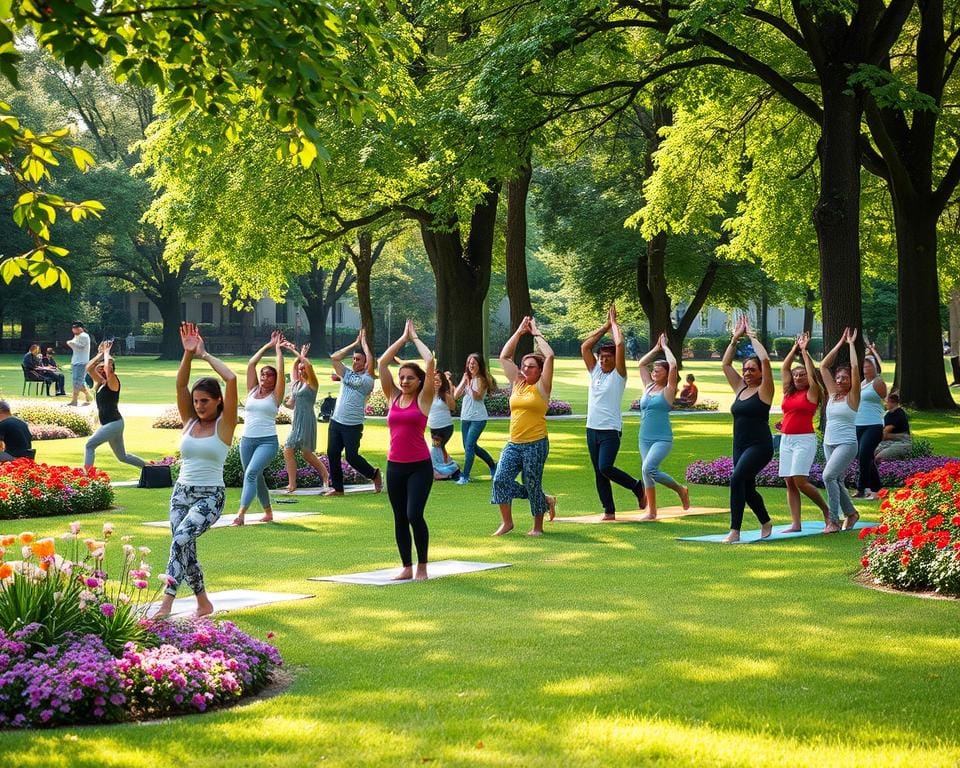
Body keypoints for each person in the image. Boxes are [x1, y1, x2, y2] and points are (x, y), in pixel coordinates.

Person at [154, 322, 238, 619]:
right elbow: (180, 385)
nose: (199, 406)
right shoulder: (189, 421)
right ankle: (203, 603)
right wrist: (187, 354)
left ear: (217, 402)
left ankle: (166, 603)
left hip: (210, 497)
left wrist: (204, 355)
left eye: (205, 401)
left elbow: (231, 378)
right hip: (181, 494)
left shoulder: (224, 425)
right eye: (196, 401)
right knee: (184, 547)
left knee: (180, 540)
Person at [377, 319, 436, 580]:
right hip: (395, 466)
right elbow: (381, 363)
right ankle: (406, 567)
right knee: (400, 517)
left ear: (419, 380)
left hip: (419, 466)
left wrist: (415, 339)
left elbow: (430, 361)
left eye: (410, 378)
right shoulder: (393, 396)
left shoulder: (424, 398)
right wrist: (402, 339)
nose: (404, 381)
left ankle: (422, 566)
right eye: (402, 377)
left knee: (414, 514)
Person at [492, 316, 558, 537]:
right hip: (514, 443)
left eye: (531, 367)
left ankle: (537, 526)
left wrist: (536, 333)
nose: (526, 369)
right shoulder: (517, 383)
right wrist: (519, 332)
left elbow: (549, 356)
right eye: (524, 366)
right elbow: (504, 356)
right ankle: (508, 522)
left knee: (531, 482)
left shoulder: (542, 386)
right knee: (500, 479)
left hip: (536, 443)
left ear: (540, 371)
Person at [580, 306, 645, 520]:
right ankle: (609, 510)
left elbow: (619, 344)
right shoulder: (596, 371)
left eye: (608, 357)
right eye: (602, 357)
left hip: (610, 430)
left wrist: (615, 325)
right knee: (599, 472)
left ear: (615, 359)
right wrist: (605, 326)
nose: (604, 360)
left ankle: (636, 486)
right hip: (592, 429)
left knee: (606, 466)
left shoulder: (619, 375)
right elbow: (585, 347)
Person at [721, 316, 774, 543]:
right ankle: (766, 521)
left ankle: (735, 530)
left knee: (736, 479)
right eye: (745, 369)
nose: (747, 372)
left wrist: (751, 336)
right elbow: (725, 364)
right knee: (747, 487)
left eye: (752, 369)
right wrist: (734, 338)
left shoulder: (765, 390)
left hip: (759, 446)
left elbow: (766, 361)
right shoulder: (740, 388)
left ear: (761, 373)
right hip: (739, 446)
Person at [231, 331, 285, 525]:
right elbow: (251, 363)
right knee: (256, 475)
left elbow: (280, 368)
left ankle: (241, 513)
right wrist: (267, 346)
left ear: (275, 379)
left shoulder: (276, 395)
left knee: (251, 473)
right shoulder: (253, 390)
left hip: (267, 441)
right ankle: (268, 512)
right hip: (246, 441)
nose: (265, 377)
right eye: (263, 374)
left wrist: (278, 350)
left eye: (269, 375)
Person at [778, 333, 829, 532]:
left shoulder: (812, 391)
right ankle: (796, 523)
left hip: (804, 440)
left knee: (800, 480)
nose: (798, 377)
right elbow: (784, 368)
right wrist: (794, 348)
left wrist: (805, 352)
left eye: (802, 375)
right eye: (796, 375)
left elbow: (811, 374)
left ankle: (826, 510)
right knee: (789, 481)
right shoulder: (789, 391)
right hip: (786, 439)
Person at [636, 332, 690, 519]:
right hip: (644, 437)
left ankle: (680, 490)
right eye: (654, 370)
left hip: (662, 438)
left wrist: (666, 348)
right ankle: (651, 511)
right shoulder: (648, 387)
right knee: (647, 472)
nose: (654, 371)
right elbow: (642, 364)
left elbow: (673, 365)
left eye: (658, 370)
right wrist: (656, 349)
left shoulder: (668, 391)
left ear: (667, 374)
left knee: (648, 468)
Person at [325, 329, 381, 496]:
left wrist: (364, 343)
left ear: (365, 363)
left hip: (352, 425)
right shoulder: (346, 373)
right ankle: (338, 489)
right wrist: (354, 345)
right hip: (336, 421)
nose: (355, 362)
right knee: (333, 454)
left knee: (352, 457)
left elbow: (371, 363)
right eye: (354, 359)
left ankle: (374, 474)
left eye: (359, 360)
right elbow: (335, 358)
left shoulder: (367, 380)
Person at [819, 328, 862, 533]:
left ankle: (833, 521)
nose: (839, 381)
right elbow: (824, 365)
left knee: (828, 476)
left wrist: (852, 345)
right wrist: (840, 343)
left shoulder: (852, 397)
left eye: (844, 378)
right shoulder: (832, 393)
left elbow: (854, 367)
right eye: (838, 377)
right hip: (829, 441)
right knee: (835, 479)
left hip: (847, 443)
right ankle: (851, 513)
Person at [83, 340, 146, 474]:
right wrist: (100, 354)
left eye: (102, 367)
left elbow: (108, 368)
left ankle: (86, 476)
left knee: (90, 445)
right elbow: (88, 367)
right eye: (99, 367)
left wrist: (107, 354)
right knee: (122, 457)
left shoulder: (113, 381)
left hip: (113, 423)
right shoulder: (100, 382)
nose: (100, 369)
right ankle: (151, 468)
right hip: (112, 423)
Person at [279, 342, 331, 493]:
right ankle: (292, 484)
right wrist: (297, 358)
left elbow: (307, 364)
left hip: (307, 421)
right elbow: (291, 405)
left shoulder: (312, 383)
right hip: (297, 421)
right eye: (300, 369)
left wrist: (296, 352)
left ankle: (325, 475)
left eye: (303, 369)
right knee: (288, 450)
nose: (301, 370)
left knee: (306, 453)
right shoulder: (296, 385)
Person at [453, 353, 498, 484]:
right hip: (465, 417)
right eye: (469, 363)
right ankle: (493, 465)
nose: (471, 365)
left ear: (479, 365)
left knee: (469, 446)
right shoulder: (466, 378)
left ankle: (464, 476)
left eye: (474, 363)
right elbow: (455, 396)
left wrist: (469, 383)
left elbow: (477, 397)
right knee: (470, 446)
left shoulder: (482, 379)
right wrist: (464, 381)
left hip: (478, 418)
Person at [853, 340, 887, 499]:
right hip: (858, 424)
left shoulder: (878, 382)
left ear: (874, 368)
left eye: (869, 366)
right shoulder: (861, 384)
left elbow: (884, 398)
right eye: (864, 366)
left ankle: (861, 488)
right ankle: (878, 489)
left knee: (864, 454)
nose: (866, 368)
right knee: (865, 456)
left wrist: (873, 352)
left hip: (873, 425)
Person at [428, 369, 456, 465]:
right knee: (440, 448)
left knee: (436, 448)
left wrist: (450, 390)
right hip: (433, 427)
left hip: (445, 427)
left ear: (442, 382)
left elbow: (453, 407)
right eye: (434, 380)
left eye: (438, 381)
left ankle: (440, 467)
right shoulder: (428, 395)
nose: (436, 383)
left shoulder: (445, 395)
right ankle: (449, 464)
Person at [875, 392, 911, 460]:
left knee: (879, 458)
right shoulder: (888, 415)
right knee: (868, 454)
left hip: (901, 443)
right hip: (888, 442)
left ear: (893, 403)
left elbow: (884, 434)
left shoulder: (899, 413)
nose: (885, 404)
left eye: (887, 402)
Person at [65, 322, 92, 406]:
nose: (74, 330)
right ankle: (88, 395)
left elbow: (80, 346)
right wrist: (71, 343)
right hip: (75, 361)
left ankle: (74, 400)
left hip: (82, 362)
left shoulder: (84, 336)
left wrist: (70, 343)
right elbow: (73, 343)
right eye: (73, 328)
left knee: (77, 381)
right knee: (79, 381)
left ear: (81, 328)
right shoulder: (77, 336)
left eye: (76, 328)